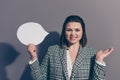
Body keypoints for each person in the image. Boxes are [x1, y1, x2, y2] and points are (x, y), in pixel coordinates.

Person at [27, 15, 114, 80]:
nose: (73, 34)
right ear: (64, 32)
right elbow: (39, 78)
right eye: (69, 30)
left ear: (83, 32)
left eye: (77, 30)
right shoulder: (52, 51)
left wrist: (99, 60)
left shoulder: (91, 53)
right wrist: (33, 56)